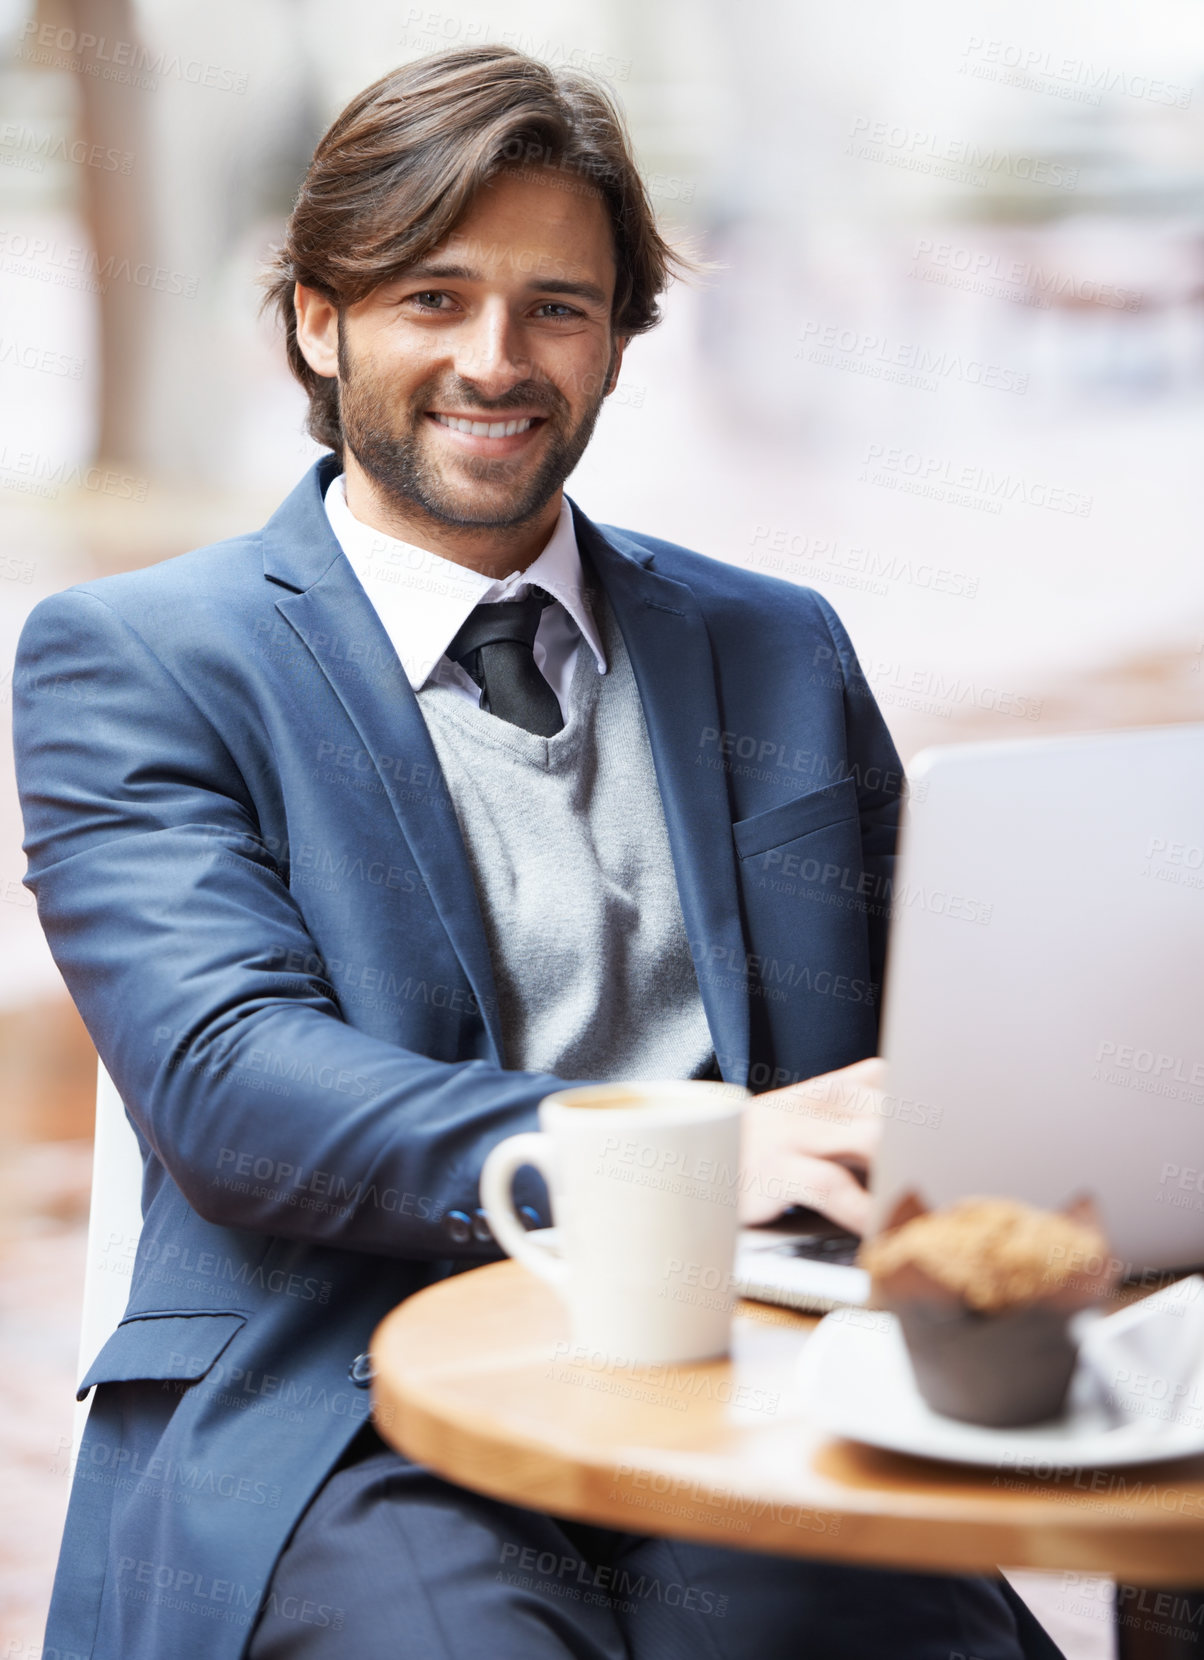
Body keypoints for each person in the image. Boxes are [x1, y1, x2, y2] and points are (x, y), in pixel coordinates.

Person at [14, 45, 1063, 1660]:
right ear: (318, 318)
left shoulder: (774, 645)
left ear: (618, 344)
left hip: (756, 1380)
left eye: (556, 308)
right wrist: (682, 1164)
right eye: (433, 298)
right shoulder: (139, 659)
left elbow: (918, 1053)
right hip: (356, 1414)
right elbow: (232, 1085)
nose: (496, 360)